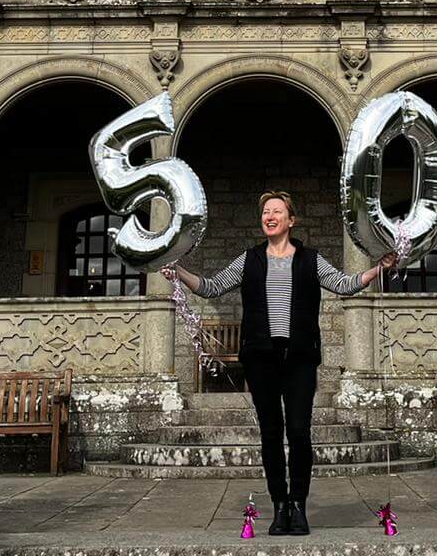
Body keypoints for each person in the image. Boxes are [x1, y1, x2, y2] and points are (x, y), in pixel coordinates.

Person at [164, 190, 394, 536]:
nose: (269, 216)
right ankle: (279, 505)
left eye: (276, 211)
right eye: (265, 212)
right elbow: (211, 288)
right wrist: (180, 272)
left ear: (291, 220)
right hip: (261, 360)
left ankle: (298, 505)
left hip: (300, 359)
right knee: (271, 435)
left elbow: (345, 285)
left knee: (299, 433)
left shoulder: (311, 259)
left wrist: (378, 269)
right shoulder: (249, 260)